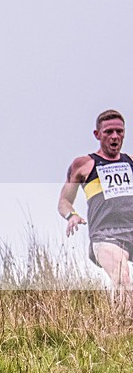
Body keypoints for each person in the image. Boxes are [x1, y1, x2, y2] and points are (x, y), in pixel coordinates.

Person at [58, 109, 132, 305]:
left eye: (119, 131)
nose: (115, 136)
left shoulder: (131, 162)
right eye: (108, 132)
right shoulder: (84, 165)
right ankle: (123, 328)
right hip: (106, 235)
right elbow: (64, 202)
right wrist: (71, 216)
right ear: (97, 135)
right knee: (122, 277)